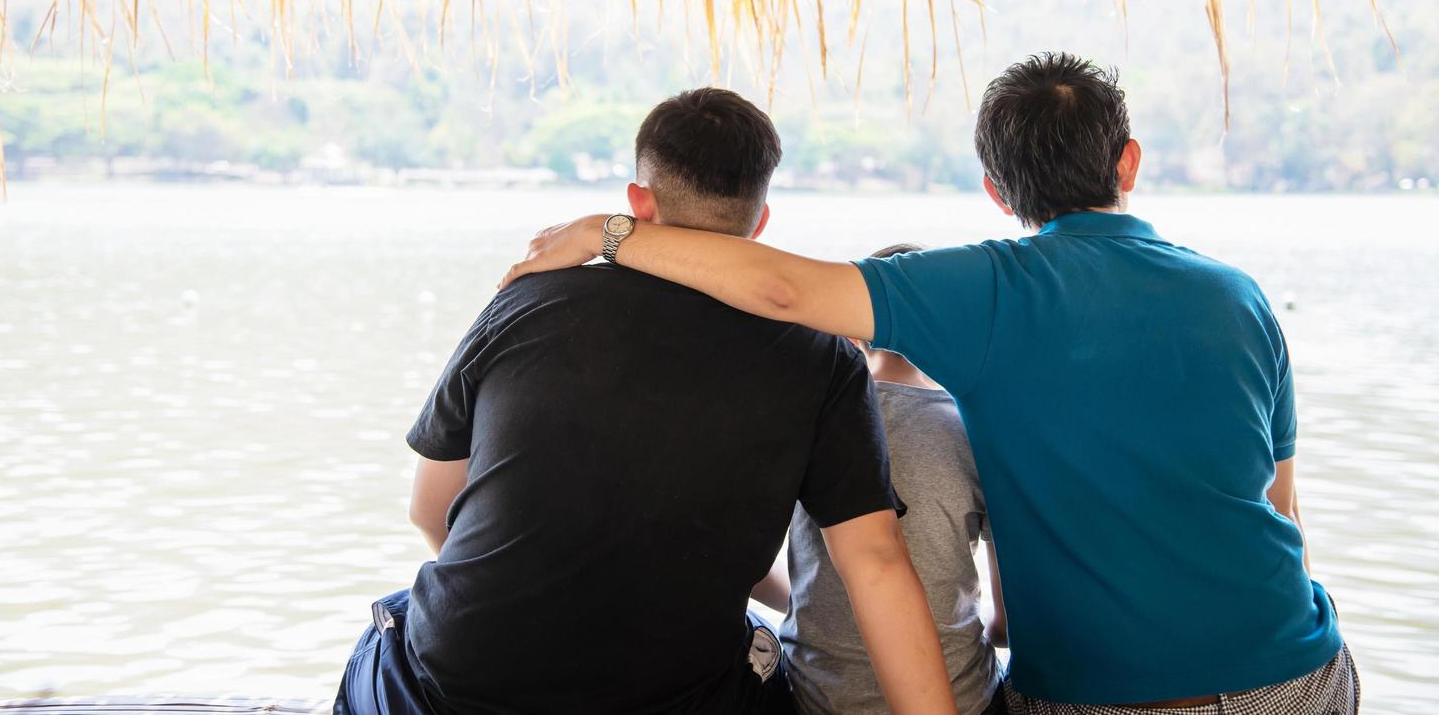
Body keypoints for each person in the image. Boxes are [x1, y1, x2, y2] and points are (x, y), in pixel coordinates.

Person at [503, 53, 1360, 715]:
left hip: (1096, 697)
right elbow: (1282, 510)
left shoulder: (986, 289)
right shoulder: (1241, 296)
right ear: (1127, 162)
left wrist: (608, 234)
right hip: (1298, 672)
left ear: (994, 189)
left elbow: (782, 289)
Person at [335, 87, 960, 715]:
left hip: (454, 686)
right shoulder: (825, 357)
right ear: (760, 218)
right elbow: (875, 564)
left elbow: (428, 510)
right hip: (675, 697)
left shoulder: (524, 301)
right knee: (762, 652)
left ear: (640, 202)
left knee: (392, 622)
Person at [753, 242, 1005, 715]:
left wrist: (817, 612)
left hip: (817, 696)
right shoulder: (977, 435)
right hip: (959, 698)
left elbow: (751, 573)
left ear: (857, 331)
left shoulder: (804, 418)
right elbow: (1004, 627)